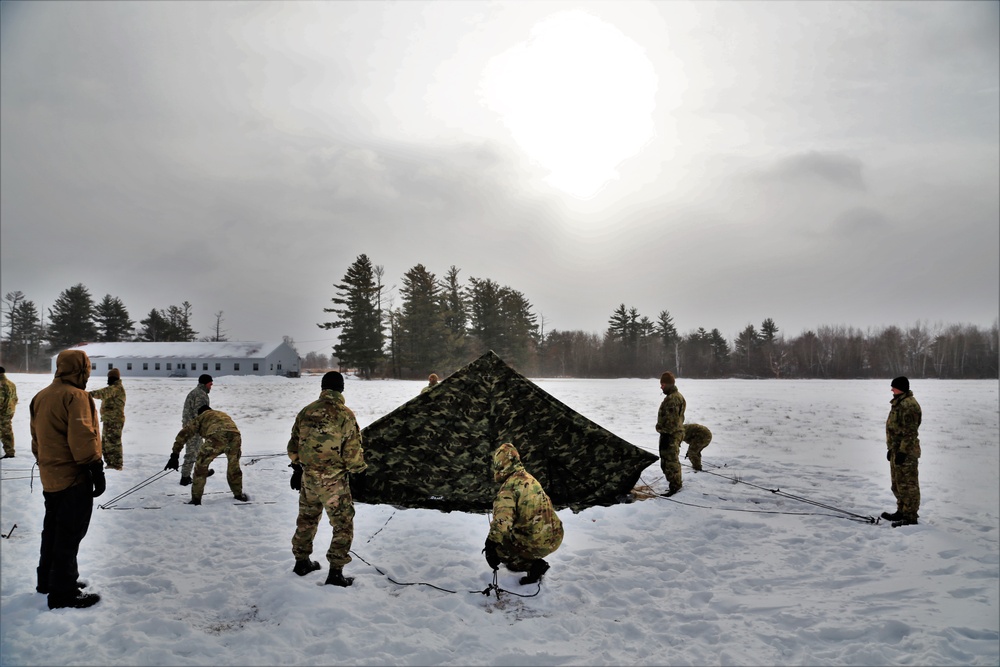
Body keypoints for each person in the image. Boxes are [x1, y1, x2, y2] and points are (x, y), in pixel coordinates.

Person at [30, 349, 104, 609]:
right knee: (69, 534)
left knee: (52, 529)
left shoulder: (42, 396)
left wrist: (48, 464)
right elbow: (82, 437)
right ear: (82, 369)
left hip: (50, 476)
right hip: (73, 477)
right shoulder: (76, 396)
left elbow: (35, 440)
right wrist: (96, 467)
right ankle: (63, 592)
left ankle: (47, 580)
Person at [287, 371, 366, 587]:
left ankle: (301, 562)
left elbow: (293, 445)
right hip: (333, 482)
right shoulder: (344, 414)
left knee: (307, 519)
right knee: (342, 524)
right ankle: (335, 574)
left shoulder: (306, 411)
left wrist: (296, 468)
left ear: (322, 387)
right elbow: (352, 452)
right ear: (341, 389)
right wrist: (359, 471)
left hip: (309, 478)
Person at [483, 443, 564, 586]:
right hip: (555, 536)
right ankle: (531, 556)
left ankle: (532, 566)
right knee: (513, 535)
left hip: (538, 542)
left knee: (501, 550)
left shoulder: (508, 488)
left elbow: (502, 523)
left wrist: (490, 545)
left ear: (499, 464)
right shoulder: (530, 478)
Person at [165, 405, 247, 505]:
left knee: (201, 466)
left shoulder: (201, 417)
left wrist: (175, 454)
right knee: (234, 466)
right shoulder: (221, 414)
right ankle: (239, 495)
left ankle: (196, 500)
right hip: (235, 436)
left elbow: (184, 434)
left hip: (216, 436)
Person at [883, 376, 922, 528]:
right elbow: (895, 429)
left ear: (901, 388)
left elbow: (910, 432)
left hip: (907, 453)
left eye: (894, 387)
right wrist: (891, 449)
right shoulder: (899, 402)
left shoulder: (909, 405)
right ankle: (901, 511)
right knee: (898, 484)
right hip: (896, 450)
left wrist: (903, 452)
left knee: (908, 485)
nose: (891, 389)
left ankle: (910, 516)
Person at [179, 374, 214, 486]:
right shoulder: (200, 395)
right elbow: (200, 414)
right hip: (193, 428)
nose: (211, 386)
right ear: (205, 383)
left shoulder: (197, 392)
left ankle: (202, 471)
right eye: (210, 384)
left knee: (200, 451)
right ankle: (185, 477)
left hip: (194, 427)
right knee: (192, 452)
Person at [655, 371, 686, 496]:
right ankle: (675, 484)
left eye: (662, 384)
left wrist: (660, 429)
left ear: (668, 384)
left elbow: (671, 422)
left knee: (670, 462)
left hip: (671, 435)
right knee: (669, 461)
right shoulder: (675, 396)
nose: (661, 387)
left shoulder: (673, 399)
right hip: (673, 434)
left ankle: (675, 487)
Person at [89, 368, 126, 470]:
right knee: (106, 443)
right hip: (110, 420)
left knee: (113, 442)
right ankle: (110, 463)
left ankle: (117, 464)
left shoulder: (116, 388)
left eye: (110, 378)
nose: (108, 380)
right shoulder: (114, 388)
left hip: (115, 420)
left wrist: (88, 394)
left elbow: (103, 393)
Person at [1, 366, 17, 458]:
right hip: (9, 411)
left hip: (2, 413)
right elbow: (15, 398)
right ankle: (10, 451)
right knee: (7, 431)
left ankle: (10, 452)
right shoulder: (11, 384)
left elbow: (1, 400)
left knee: (5, 432)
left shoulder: (1, 384)